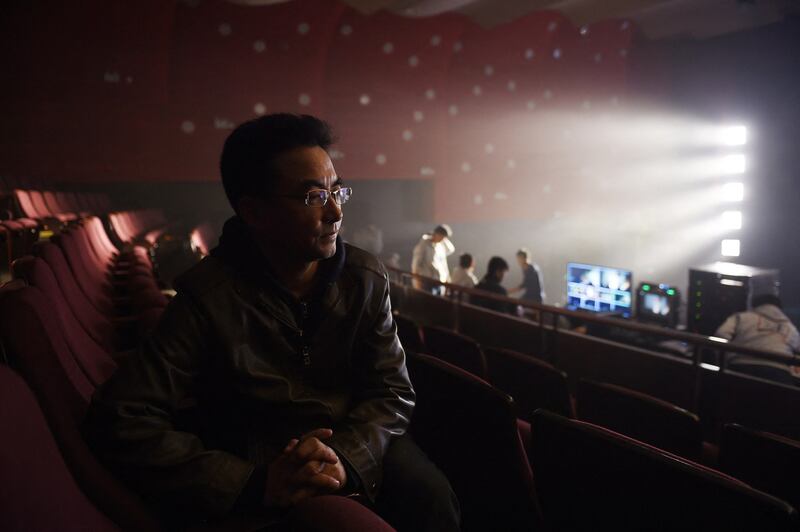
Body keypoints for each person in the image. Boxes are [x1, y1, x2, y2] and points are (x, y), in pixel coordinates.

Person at [85, 113, 460, 531]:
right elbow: (121, 417)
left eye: (337, 192)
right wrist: (249, 482)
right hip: (254, 456)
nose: (335, 212)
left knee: (431, 497)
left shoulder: (364, 276)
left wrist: (346, 458)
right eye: (314, 197)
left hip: (355, 437)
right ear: (255, 212)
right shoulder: (208, 297)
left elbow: (392, 389)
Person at [714, 294, 800, 385]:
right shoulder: (789, 326)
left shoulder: (742, 317)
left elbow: (721, 334)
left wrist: (727, 358)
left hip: (741, 366)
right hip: (779, 372)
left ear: (755, 305)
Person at [411, 224, 454, 294]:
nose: (442, 239)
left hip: (440, 282)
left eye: (444, 237)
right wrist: (417, 281)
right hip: (427, 282)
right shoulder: (423, 245)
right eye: (441, 236)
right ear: (436, 234)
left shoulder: (440, 246)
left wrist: (447, 279)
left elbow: (451, 250)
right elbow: (415, 265)